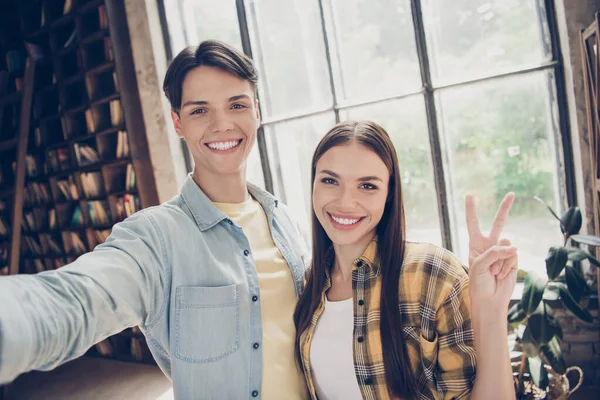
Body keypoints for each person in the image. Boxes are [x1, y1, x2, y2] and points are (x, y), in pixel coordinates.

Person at [0, 40, 310, 399]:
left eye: (236, 105)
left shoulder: (285, 221)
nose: (222, 124)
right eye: (199, 111)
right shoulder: (155, 237)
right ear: (177, 123)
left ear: (256, 110)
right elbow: (77, 300)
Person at [293, 120, 518, 400]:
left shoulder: (433, 275)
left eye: (367, 186)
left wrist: (492, 309)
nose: (345, 202)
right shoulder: (306, 284)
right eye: (330, 180)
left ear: (389, 195)